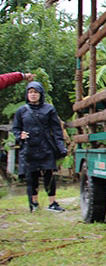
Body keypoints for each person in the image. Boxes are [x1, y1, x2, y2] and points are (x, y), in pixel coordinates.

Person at [12, 81, 67, 212]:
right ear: (27, 94)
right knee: (31, 177)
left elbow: (56, 130)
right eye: (30, 92)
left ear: (40, 94)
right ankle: (34, 203)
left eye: (35, 92)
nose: (33, 95)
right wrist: (20, 135)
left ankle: (52, 203)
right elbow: (15, 128)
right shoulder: (21, 111)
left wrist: (60, 146)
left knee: (49, 175)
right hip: (29, 148)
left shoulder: (49, 109)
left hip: (46, 147)